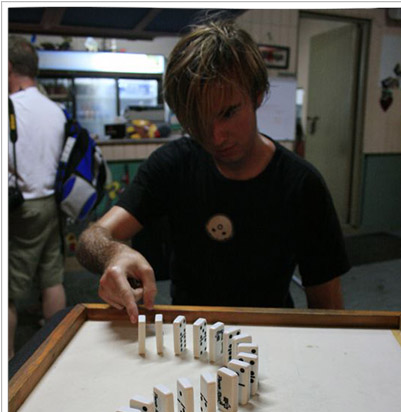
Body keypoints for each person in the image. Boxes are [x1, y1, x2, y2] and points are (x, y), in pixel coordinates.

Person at [76, 20, 350, 324]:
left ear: (257, 95)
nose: (217, 136)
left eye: (229, 112)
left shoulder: (302, 184)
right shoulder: (172, 164)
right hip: (191, 336)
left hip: (273, 334)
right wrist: (112, 254)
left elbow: (328, 309)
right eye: (199, 121)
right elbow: (92, 237)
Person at [8, 35, 67, 359]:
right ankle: (53, 349)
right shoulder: (55, 109)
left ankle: (8, 365)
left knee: (8, 291)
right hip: (51, 204)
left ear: (9, 67)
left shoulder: (9, 108)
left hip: (22, 208)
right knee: (52, 277)